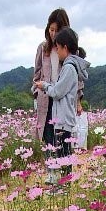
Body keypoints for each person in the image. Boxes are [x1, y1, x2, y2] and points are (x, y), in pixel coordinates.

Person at [34, 26, 89, 191]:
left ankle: (65, 188)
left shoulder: (69, 68)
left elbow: (57, 92)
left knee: (65, 154)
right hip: (63, 118)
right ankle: (63, 186)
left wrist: (44, 86)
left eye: (58, 48)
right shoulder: (70, 66)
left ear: (65, 47)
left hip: (64, 119)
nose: (56, 52)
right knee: (63, 153)